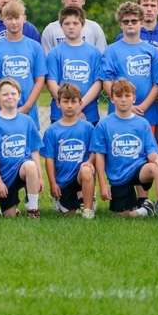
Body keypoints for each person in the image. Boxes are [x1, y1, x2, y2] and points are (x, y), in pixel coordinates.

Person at [92, 79, 158, 219]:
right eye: (119, 96)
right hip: (118, 177)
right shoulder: (104, 125)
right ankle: (145, 209)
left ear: (134, 98)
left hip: (138, 169)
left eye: (127, 96)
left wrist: (157, 159)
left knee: (156, 168)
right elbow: (99, 156)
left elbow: (151, 150)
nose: (123, 100)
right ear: (112, 99)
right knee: (122, 216)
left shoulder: (142, 123)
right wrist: (103, 184)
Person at [0, 78, 43, 218]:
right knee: (9, 216)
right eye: (5, 94)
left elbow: (35, 151)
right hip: (5, 177)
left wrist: (40, 177)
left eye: (13, 93)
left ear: (19, 95)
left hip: (22, 170)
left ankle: (33, 209)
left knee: (30, 165)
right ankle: (8, 207)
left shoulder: (27, 121)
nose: (9, 97)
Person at [100, 1, 158, 132]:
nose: (130, 24)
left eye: (134, 21)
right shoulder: (111, 50)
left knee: (144, 149)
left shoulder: (152, 51)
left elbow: (157, 83)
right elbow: (106, 81)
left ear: (141, 22)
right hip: (119, 111)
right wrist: (125, 106)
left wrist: (143, 106)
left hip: (146, 112)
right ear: (120, 24)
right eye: (126, 21)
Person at [40, 83, 96, 219]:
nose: (69, 105)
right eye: (65, 101)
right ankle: (65, 200)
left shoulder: (88, 128)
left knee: (86, 170)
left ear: (80, 103)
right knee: (69, 214)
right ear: (58, 103)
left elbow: (95, 151)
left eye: (73, 101)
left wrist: (89, 162)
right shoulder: (52, 131)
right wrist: (53, 184)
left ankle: (88, 209)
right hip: (63, 181)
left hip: (80, 177)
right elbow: (49, 159)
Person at [0, 1, 46, 123]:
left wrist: (27, 106)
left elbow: (40, 80)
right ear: (3, 20)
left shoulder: (35, 47)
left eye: (17, 18)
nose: (13, 22)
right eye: (9, 18)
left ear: (24, 19)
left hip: (28, 112)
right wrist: (3, 107)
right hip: (1, 112)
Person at [45, 6, 103, 126]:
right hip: (60, 114)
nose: (71, 27)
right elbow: (51, 82)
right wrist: (67, 106)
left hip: (88, 114)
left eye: (75, 23)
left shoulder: (94, 53)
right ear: (61, 26)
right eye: (67, 23)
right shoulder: (55, 53)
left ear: (82, 24)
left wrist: (79, 106)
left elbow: (98, 84)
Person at [40, 0, 108, 53]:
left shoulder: (95, 28)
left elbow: (102, 57)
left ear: (84, 1)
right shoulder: (50, 30)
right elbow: (47, 60)